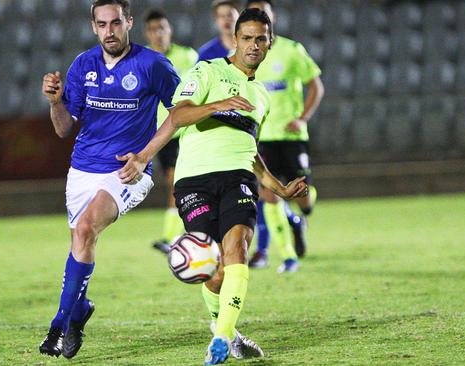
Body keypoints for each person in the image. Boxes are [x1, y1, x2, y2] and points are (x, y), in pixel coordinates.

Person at [119, 8, 308, 365]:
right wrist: (219, 104)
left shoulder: (262, 98)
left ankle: (220, 340)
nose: (254, 45)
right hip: (194, 181)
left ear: (270, 43)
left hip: (238, 178)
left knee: (237, 247)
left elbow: (250, 152)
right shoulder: (208, 70)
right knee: (213, 269)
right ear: (236, 39)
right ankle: (225, 330)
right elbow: (178, 115)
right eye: (247, 38)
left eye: (261, 39)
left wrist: (278, 188)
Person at [38, 0, 180, 359]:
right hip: (82, 169)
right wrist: (56, 102)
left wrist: (145, 155)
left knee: (85, 231)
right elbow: (63, 129)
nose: (109, 31)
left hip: (126, 171)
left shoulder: (153, 65)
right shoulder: (83, 65)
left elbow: (181, 112)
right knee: (80, 244)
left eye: (115, 23)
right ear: (93, 27)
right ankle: (80, 311)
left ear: (128, 22)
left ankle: (58, 325)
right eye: (102, 24)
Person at [246, 0, 324, 271]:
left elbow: (316, 86)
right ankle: (288, 257)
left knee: (303, 195)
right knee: (269, 193)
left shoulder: (291, 50)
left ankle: (299, 218)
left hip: (291, 137)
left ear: (272, 16)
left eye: (265, 11)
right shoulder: (247, 56)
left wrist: (302, 117)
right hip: (262, 136)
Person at [142, 8, 199, 254]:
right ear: (147, 33)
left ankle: (171, 236)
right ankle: (185, 232)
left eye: (162, 28)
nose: (158, 34)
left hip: (185, 130)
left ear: (170, 30)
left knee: (177, 182)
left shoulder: (188, 56)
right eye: (153, 30)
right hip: (157, 133)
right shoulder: (141, 59)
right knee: (176, 183)